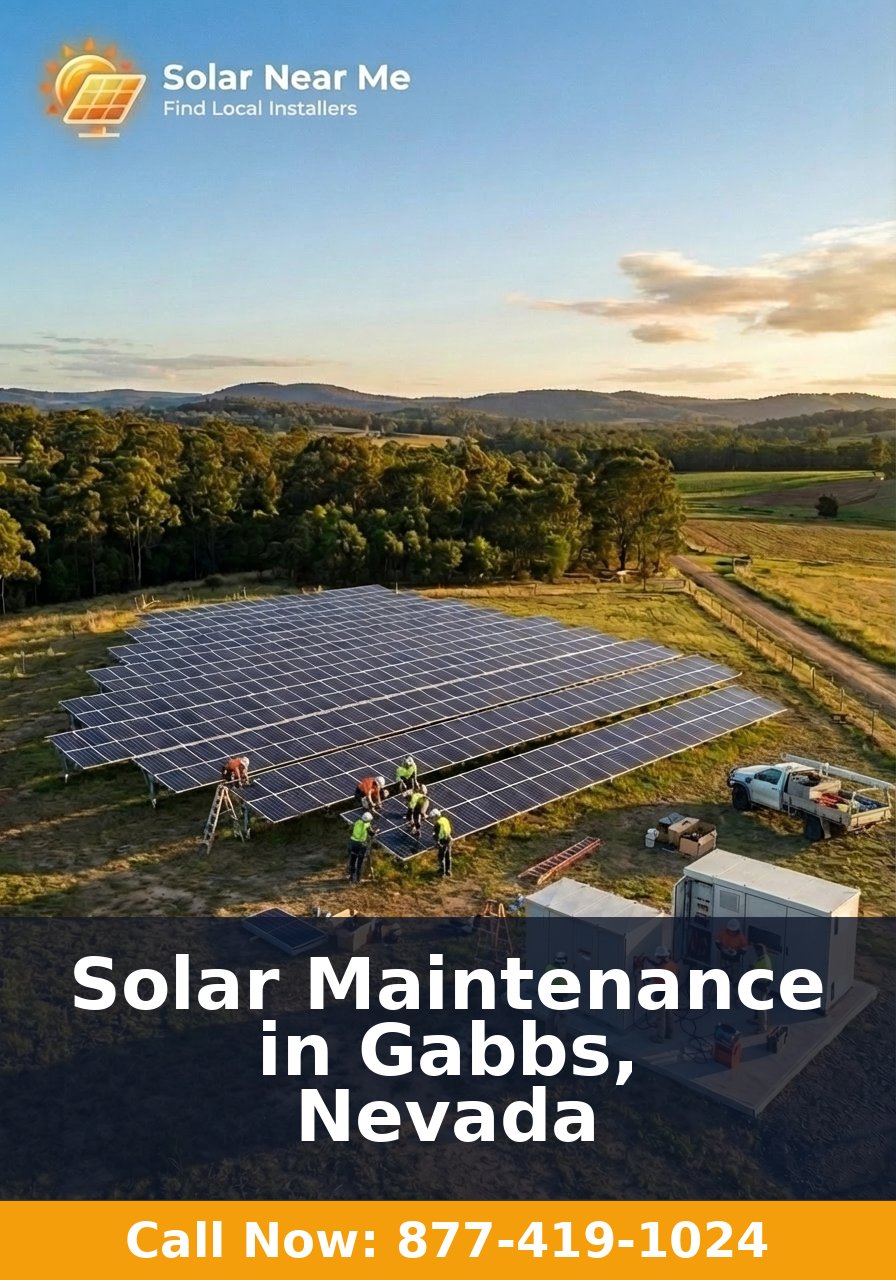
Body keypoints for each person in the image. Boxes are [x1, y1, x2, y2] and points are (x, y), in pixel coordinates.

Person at [647, 945, 679, 1043]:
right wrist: (650, 962)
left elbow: (649, 978)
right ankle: (669, 1033)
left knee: (661, 1017)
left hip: (661, 994)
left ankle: (660, 1037)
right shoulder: (673, 965)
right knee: (669, 1014)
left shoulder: (659, 970)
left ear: (660, 958)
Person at [750, 943, 774, 1033]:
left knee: (761, 1008)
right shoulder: (765, 958)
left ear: (759, 951)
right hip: (761, 985)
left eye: (756, 951)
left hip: (761, 986)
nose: (755, 953)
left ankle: (762, 1028)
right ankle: (757, 1020)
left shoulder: (763, 961)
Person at [347, 812, 374, 884]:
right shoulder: (367, 825)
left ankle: (351, 877)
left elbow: (351, 830)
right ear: (368, 820)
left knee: (352, 860)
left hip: (352, 843)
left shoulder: (357, 822)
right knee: (360, 862)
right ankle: (358, 879)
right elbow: (371, 833)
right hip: (361, 844)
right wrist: (375, 832)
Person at [430, 809, 453, 877]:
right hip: (449, 839)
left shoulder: (437, 824)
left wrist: (437, 843)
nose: (432, 819)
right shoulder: (444, 819)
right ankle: (448, 871)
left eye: (432, 818)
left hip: (443, 841)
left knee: (441, 856)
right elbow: (449, 828)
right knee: (448, 856)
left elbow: (436, 835)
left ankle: (442, 872)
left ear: (436, 816)